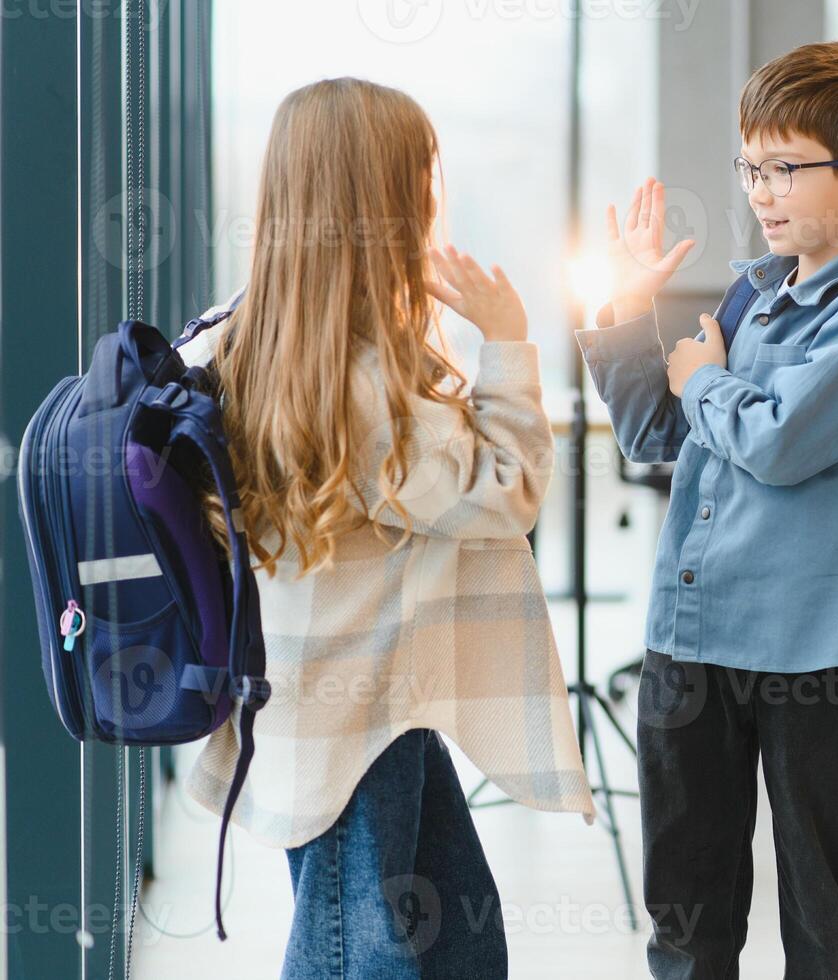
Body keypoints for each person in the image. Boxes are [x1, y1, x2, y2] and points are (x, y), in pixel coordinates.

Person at [179, 77, 594, 979]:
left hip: (344, 708)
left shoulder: (238, 342)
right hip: (356, 719)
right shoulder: (363, 387)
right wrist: (508, 340)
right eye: (422, 171)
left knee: (460, 942)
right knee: (360, 952)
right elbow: (506, 494)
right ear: (384, 199)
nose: (432, 191)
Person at [573, 40, 838, 979]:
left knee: (825, 922)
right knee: (686, 920)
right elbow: (661, 437)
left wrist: (702, 376)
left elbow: (779, 442)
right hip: (692, 640)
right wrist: (627, 316)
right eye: (751, 167)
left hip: (820, 655)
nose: (760, 191)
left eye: (783, 168)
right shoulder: (751, 292)